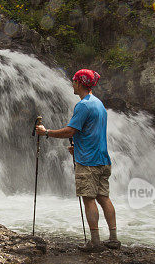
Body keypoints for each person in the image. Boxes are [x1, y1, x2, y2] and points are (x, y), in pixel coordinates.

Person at [35, 69, 119, 252]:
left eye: (73, 81)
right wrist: (78, 147)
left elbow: (70, 131)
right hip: (102, 158)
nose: (72, 84)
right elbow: (91, 132)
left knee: (89, 199)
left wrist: (46, 132)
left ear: (80, 83)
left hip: (88, 161)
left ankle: (95, 242)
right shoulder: (99, 104)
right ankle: (113, 239)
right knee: (104, 198)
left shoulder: (83, 105)